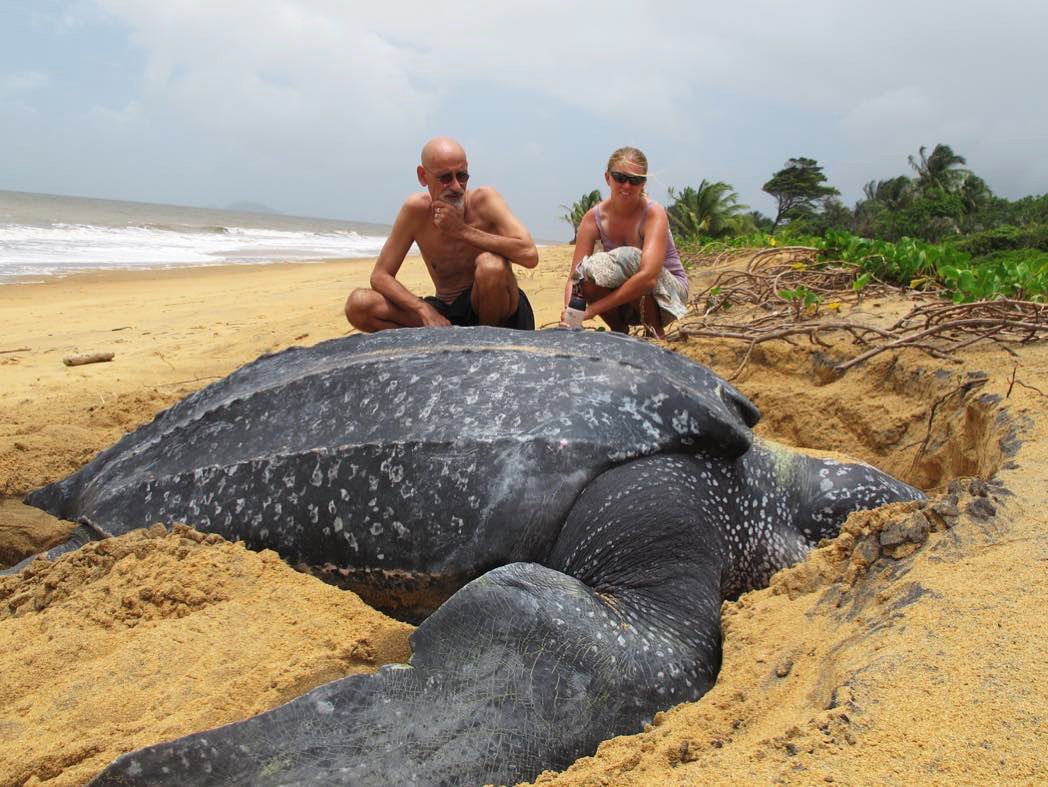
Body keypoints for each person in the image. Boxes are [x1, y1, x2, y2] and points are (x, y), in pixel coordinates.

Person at [346, 137, 539, 332]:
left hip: (498, 312)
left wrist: (462, 231)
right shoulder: (417, 210)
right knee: (359, 304)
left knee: (490, 266)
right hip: (447, 314)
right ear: (423, 176)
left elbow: (530, 255)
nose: (456, 186)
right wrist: (423, 309)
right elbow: (380, 276)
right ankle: (452, 337)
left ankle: (484, 342)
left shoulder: (485, 200)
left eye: (462, 176)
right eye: (446, 178)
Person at [561, 146, 689, 338]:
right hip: (626, 298)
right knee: (586, 273)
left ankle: (654, 332)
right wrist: (570, 314)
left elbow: (648, 277)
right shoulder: (593, 218)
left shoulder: (653, 213)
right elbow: (574, 277)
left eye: (635, 180)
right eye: (620, 178)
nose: (627, 186)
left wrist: (592, 310)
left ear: (643, 183)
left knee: (632, 258)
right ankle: (619, 330)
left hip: (669, 297)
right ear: (607, 178)